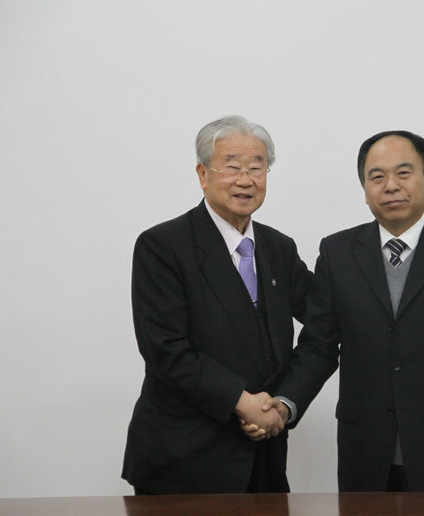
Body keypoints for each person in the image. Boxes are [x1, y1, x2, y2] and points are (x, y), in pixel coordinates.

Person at [258, 130, 424, 492]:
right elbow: (318, 346)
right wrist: (284, 404)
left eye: (403, 173)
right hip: (365, 452)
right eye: (376, 176)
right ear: (365, 189)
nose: (390, 186)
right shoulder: (338, 253)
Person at [122, 115, 311, 494]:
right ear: (203, 174)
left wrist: (284, 404)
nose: (246, 179)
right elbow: (166, 351)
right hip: (184, 457)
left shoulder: (279, 248)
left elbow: (324, 322)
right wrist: (241, 402)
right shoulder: (163, 246)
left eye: (257, 167)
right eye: (232, 167)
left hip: (265, 456)